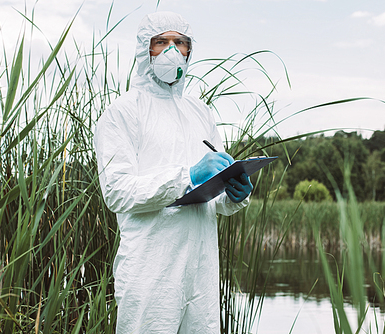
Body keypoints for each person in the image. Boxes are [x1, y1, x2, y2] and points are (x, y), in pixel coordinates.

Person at [93, 11, 253, 334]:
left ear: (189, 50)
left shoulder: (199, 112)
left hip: (201, 275)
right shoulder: (122, 113)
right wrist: (186, 177)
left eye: (180, 42)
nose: (171, 51)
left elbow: (213, 194)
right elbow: (117, 190)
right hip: (150, 274)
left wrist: (234, 194)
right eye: (161, 42)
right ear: (144, 49)